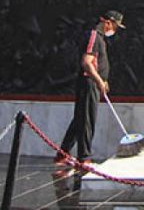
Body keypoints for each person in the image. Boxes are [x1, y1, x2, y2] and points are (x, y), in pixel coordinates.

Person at [54, 10, 126, 175]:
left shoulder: (100, 38)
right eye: (115, 26)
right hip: (88, 83)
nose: (115, 30)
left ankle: (62, 154)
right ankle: (84, 159)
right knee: (87, 120)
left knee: (80, 119)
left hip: (94, 83)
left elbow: (96, 62)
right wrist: (99, 80)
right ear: (108, 22)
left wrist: (103, 80)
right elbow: (86, 62)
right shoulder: (93, 36)